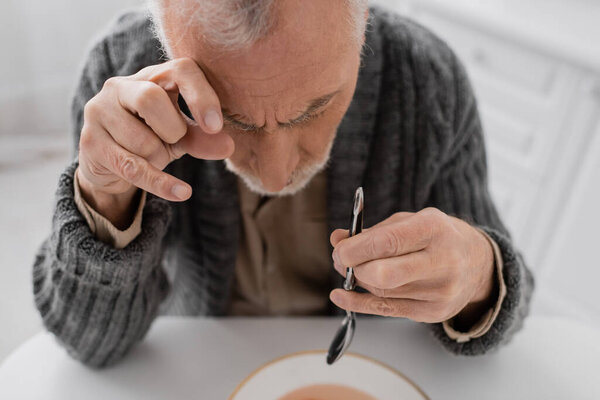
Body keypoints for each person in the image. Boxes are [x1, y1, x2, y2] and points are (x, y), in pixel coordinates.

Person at [33, 0, 534, 368]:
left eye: (315, 108)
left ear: (363, 27)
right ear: (164, 42)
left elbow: (513, 299)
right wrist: (104, 199)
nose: (275, 175)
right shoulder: (121, 80)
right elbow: (91, 346)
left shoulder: (427, 81)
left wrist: (478, 276)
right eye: (231, 119)